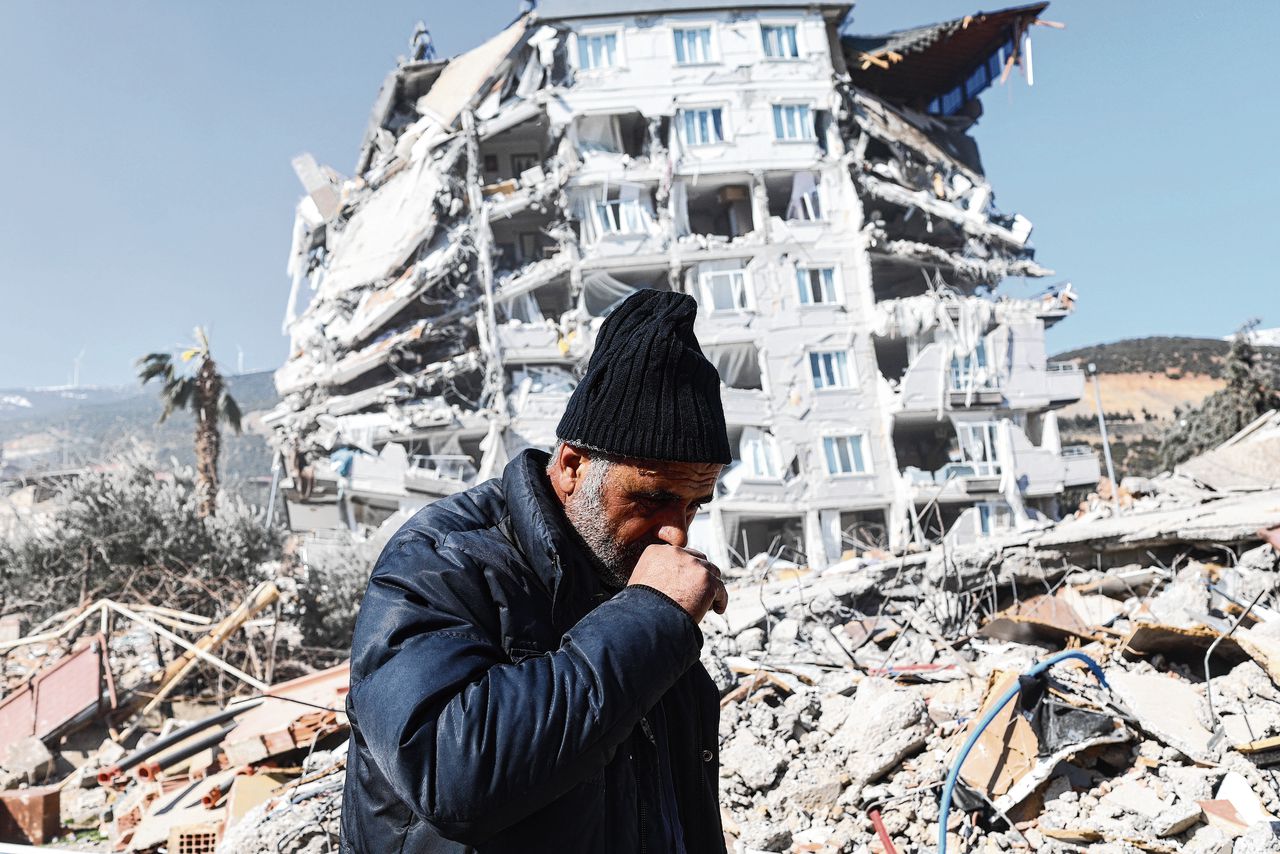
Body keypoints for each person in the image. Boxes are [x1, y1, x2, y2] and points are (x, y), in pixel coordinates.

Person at [341, 288, 732, 852]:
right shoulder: (442, 561)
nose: (677, 533)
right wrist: (651, 618)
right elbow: (452, 773)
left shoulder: (630, 588)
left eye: (693, 505)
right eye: (651, 498)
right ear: (572, 465)